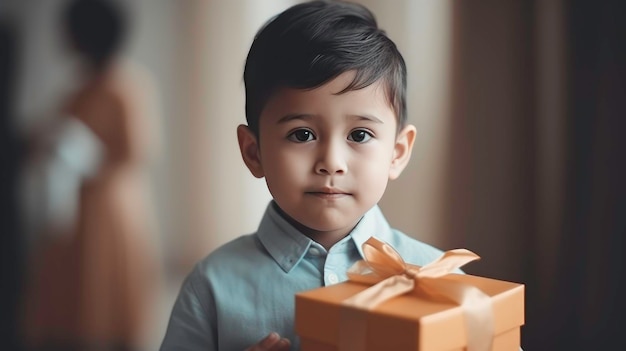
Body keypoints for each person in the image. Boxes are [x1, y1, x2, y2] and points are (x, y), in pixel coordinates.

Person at [160, 1, 446, 350]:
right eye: (302, 135)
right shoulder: (212, 287)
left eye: (359, 135)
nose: (331, 162)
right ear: (254, 152)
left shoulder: (439, 280)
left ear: (397, 152)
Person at [20, 0, 162, 350]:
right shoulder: (79, 89)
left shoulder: (126, 87)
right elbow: (48, 133)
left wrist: (85, 160)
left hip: (111, 209)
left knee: (104, 292)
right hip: (73, 207)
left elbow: (138, 151)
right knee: (71, 297)